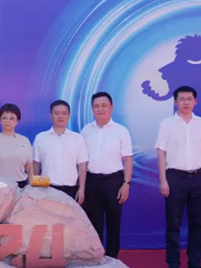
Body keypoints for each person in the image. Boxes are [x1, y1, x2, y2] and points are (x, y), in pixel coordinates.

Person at [155, 86, 201, 268]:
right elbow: (161, 153)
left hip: (198, 177)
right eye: (182, 99)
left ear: (195, 102)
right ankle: (173, 264)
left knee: (197, 223)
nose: (186, 102)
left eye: (189, 99)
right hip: (175, 178)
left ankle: (194, 263)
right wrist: (163, 180)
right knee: (173, 223)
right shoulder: (166, 124)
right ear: (175, 102)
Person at [80, 92, 132, 258]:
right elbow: (82, 160)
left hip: (114, 181)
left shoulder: (121, 131)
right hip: (92, 181)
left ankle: (112, 258)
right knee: (93, 222)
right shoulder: (86, 130)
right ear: (92, 109)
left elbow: (128, 159)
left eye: (104, 105)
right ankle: (96, 257)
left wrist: (126, 183)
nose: (100, 109)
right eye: (96, 106)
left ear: (111, 107)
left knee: (113, 222)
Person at [33, 100, 89, 201]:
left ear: (69, 115)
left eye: (64, 113)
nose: (60, 116)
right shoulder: (40, 138)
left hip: (71, 189)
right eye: (56, 113)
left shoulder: (78, 138)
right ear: (50, 115)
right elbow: (36, 165)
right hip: (46, 188)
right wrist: (36, 188)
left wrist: (82, 189)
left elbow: (82, 166)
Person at [0, 103, 33, 187]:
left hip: (20, 185)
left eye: (12, 118)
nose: (8, 121)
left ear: (17, 121)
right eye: (4, 117)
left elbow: (29, 168)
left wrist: (32, 187)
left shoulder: (24, 141)